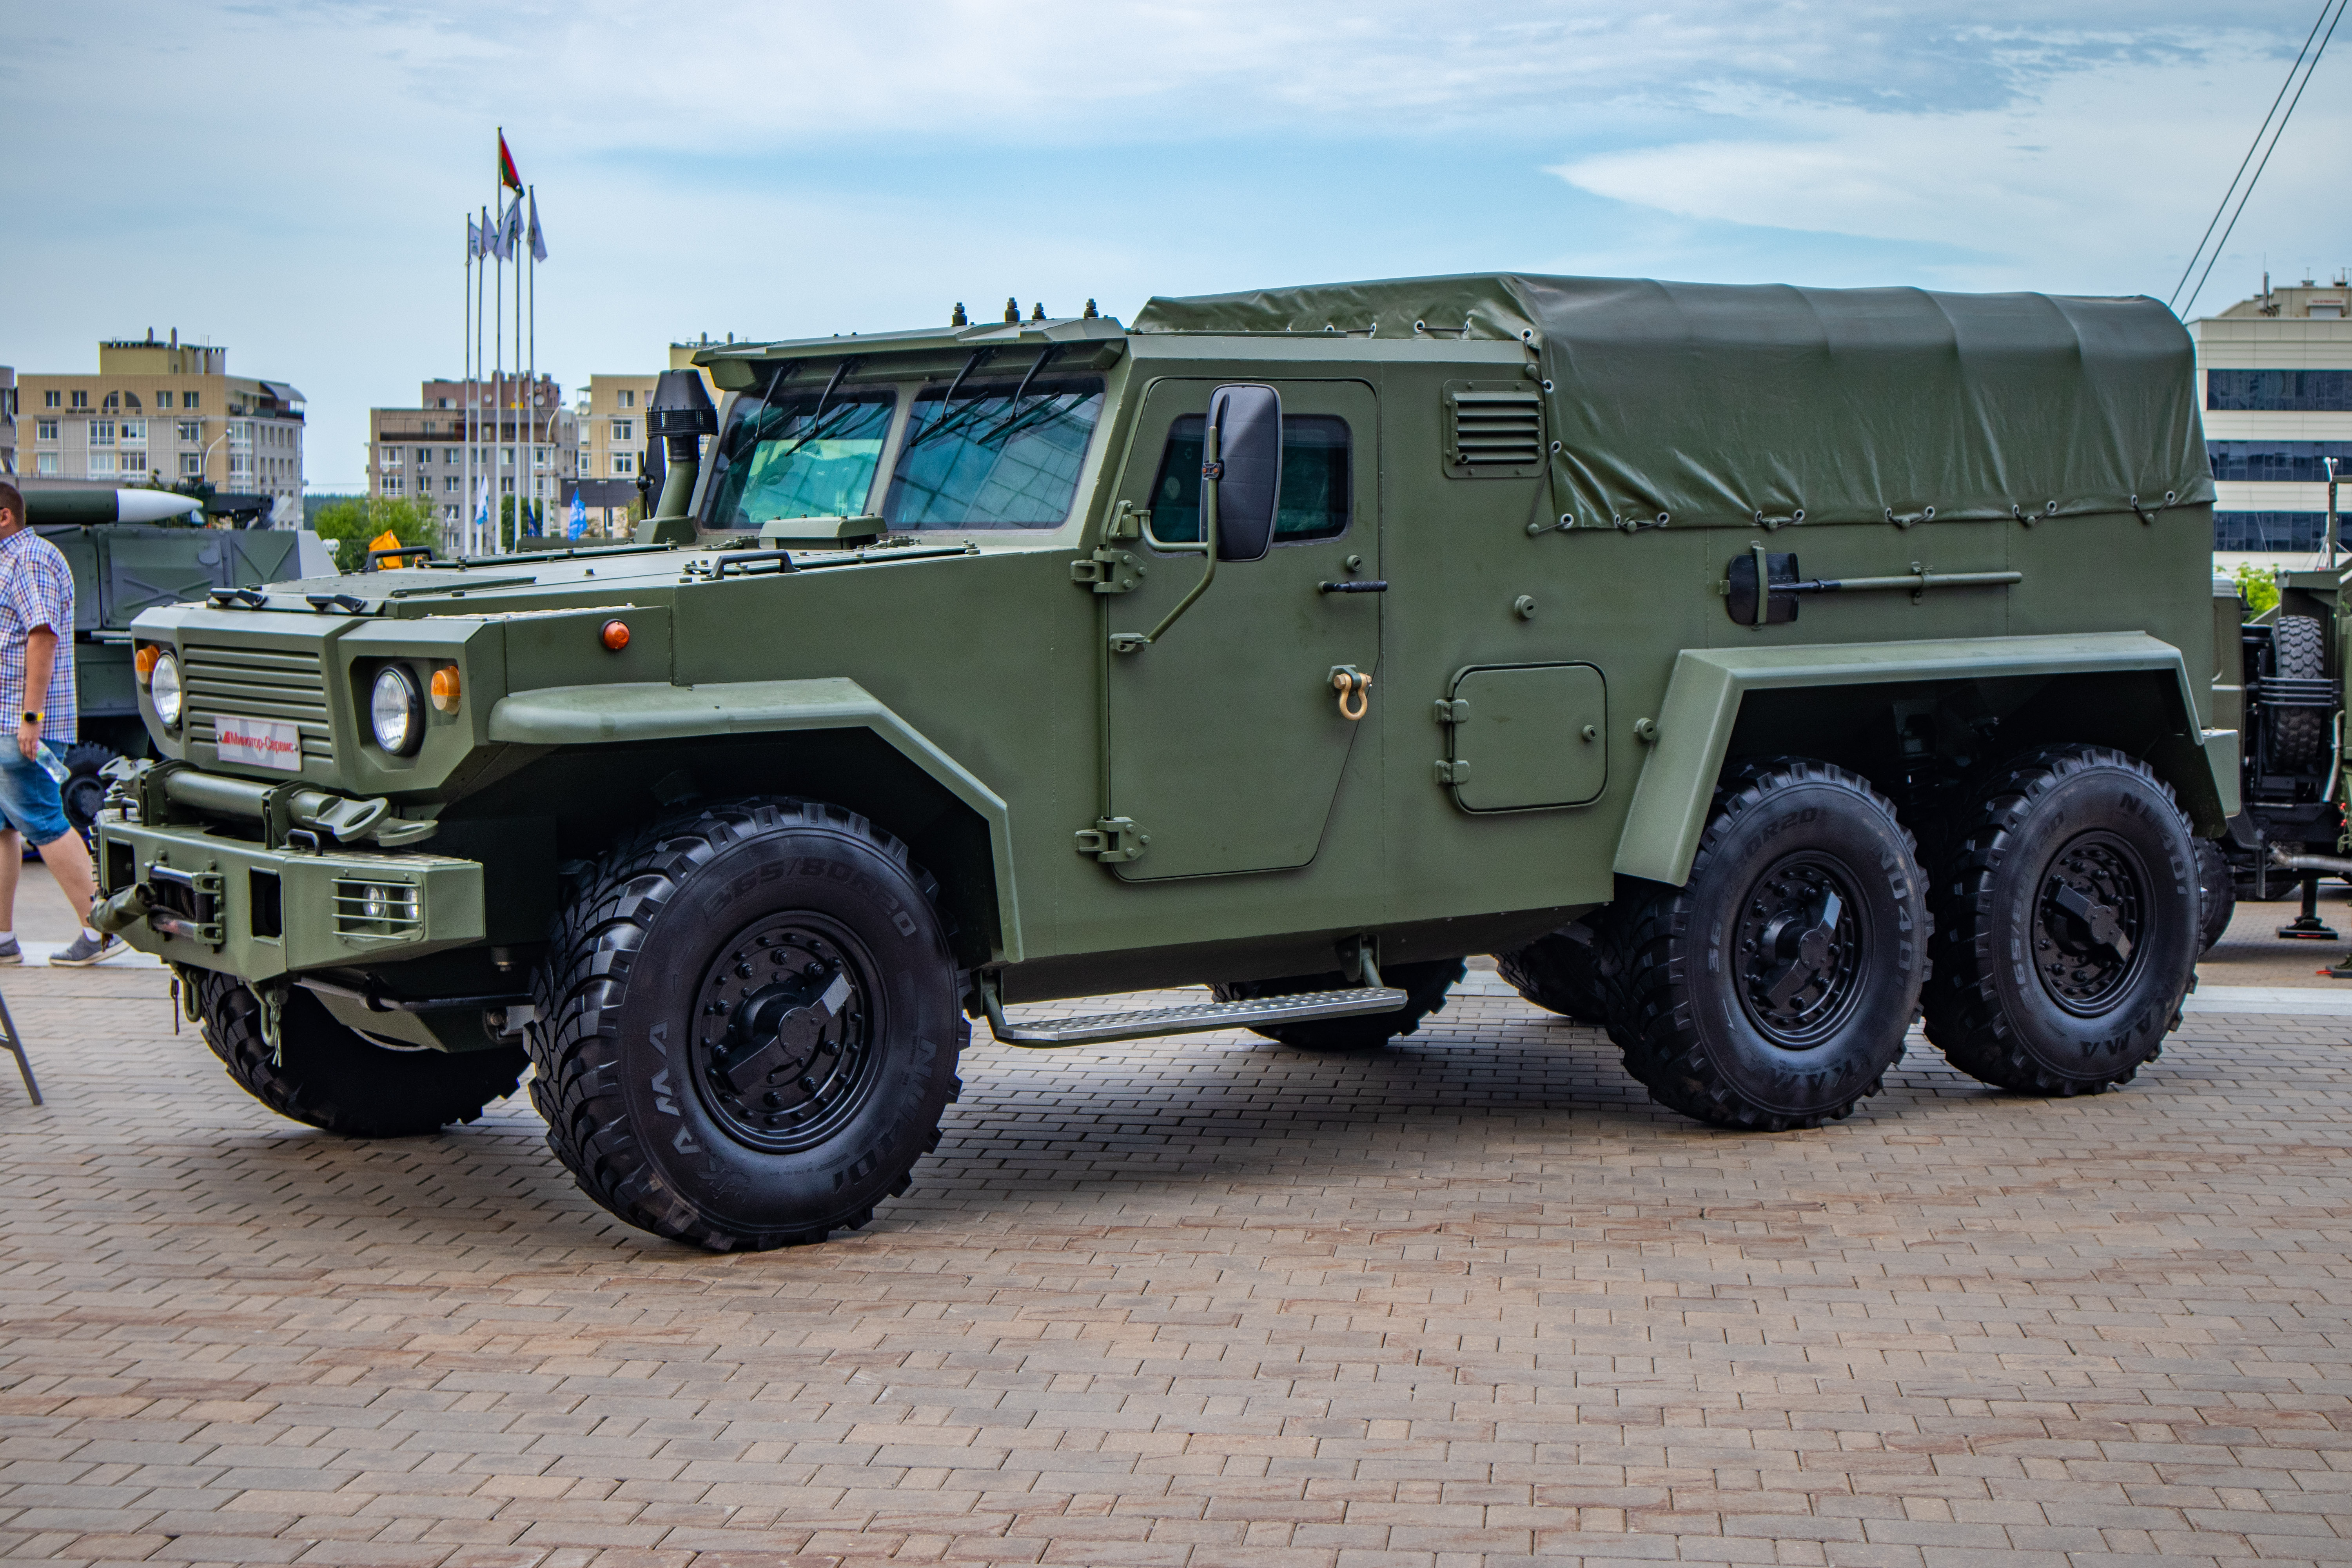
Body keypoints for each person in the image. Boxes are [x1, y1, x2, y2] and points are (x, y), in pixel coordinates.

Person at [0, 481, 120, 965]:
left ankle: (100, 930)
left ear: (3, 517)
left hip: (19, 723)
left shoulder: (26, 560)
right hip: (10, 721)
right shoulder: (16, 560)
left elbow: (42, 636)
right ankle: (3, 938)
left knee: (45, 821)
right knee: (5, 828)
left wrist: (30, 718)